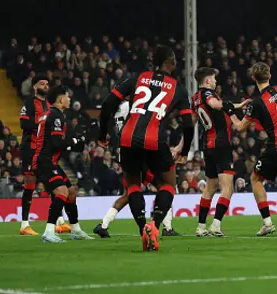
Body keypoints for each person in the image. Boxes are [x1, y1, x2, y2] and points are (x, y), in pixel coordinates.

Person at [98, 46, 193, 251]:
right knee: (168, 185)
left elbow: (108, 104)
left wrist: (101, 134)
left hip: (127, 139)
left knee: (133, 186)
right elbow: (188, 124)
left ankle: (143, 228)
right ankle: (155, 226)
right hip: (154, 139)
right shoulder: (178, 87)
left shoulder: (137, 78)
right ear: (172, 63)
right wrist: (184, 152)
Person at [228, 62, 277, 236]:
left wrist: (230, 112)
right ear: (269, 76)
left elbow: (240, 128)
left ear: (254, 79)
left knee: (255, 179)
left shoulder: (257, 102)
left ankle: (268, 223)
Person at [93, 100, 177, 238]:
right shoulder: (131, 105)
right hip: (139, 149)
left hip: (124, 151)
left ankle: (103, 225)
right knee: (165, 186)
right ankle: (166, 228)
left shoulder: (114, 111)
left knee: (130, 192)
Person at [192, 67, 250, 237]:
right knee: (227, 188)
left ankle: (201, 227)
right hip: (221, 145)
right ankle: (216, 225)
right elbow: (214, 104)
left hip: (208, 146)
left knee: (210, 186)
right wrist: (237, 106)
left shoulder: (195, 98)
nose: (216, 81)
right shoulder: (208, 95)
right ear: (207, 80)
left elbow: (193, 120)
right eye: (214, 79)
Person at [32, 85, 92, 243]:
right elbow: (57, 142)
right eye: (67, 96)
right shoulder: (56, 115)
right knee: (62, 192)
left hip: (49, 161)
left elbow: (57, 142)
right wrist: (73, 141)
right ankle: (49, 232)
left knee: (71, 192)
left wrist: (76, 142)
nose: (69, 99)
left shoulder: (51, 115)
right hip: (44, 162)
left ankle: (76, 230)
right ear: (60, 99)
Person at [19, 75, 71, 235]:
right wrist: (43, 123)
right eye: (42, 83)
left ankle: (59, 221)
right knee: (30, 184)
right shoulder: (28, 103)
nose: (45, 86)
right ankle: (24, 224)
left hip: (45, 150)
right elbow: (24, 123)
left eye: (47, 83)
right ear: (34, 87)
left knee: (53, 184)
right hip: (30, 147)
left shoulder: (50, 105)